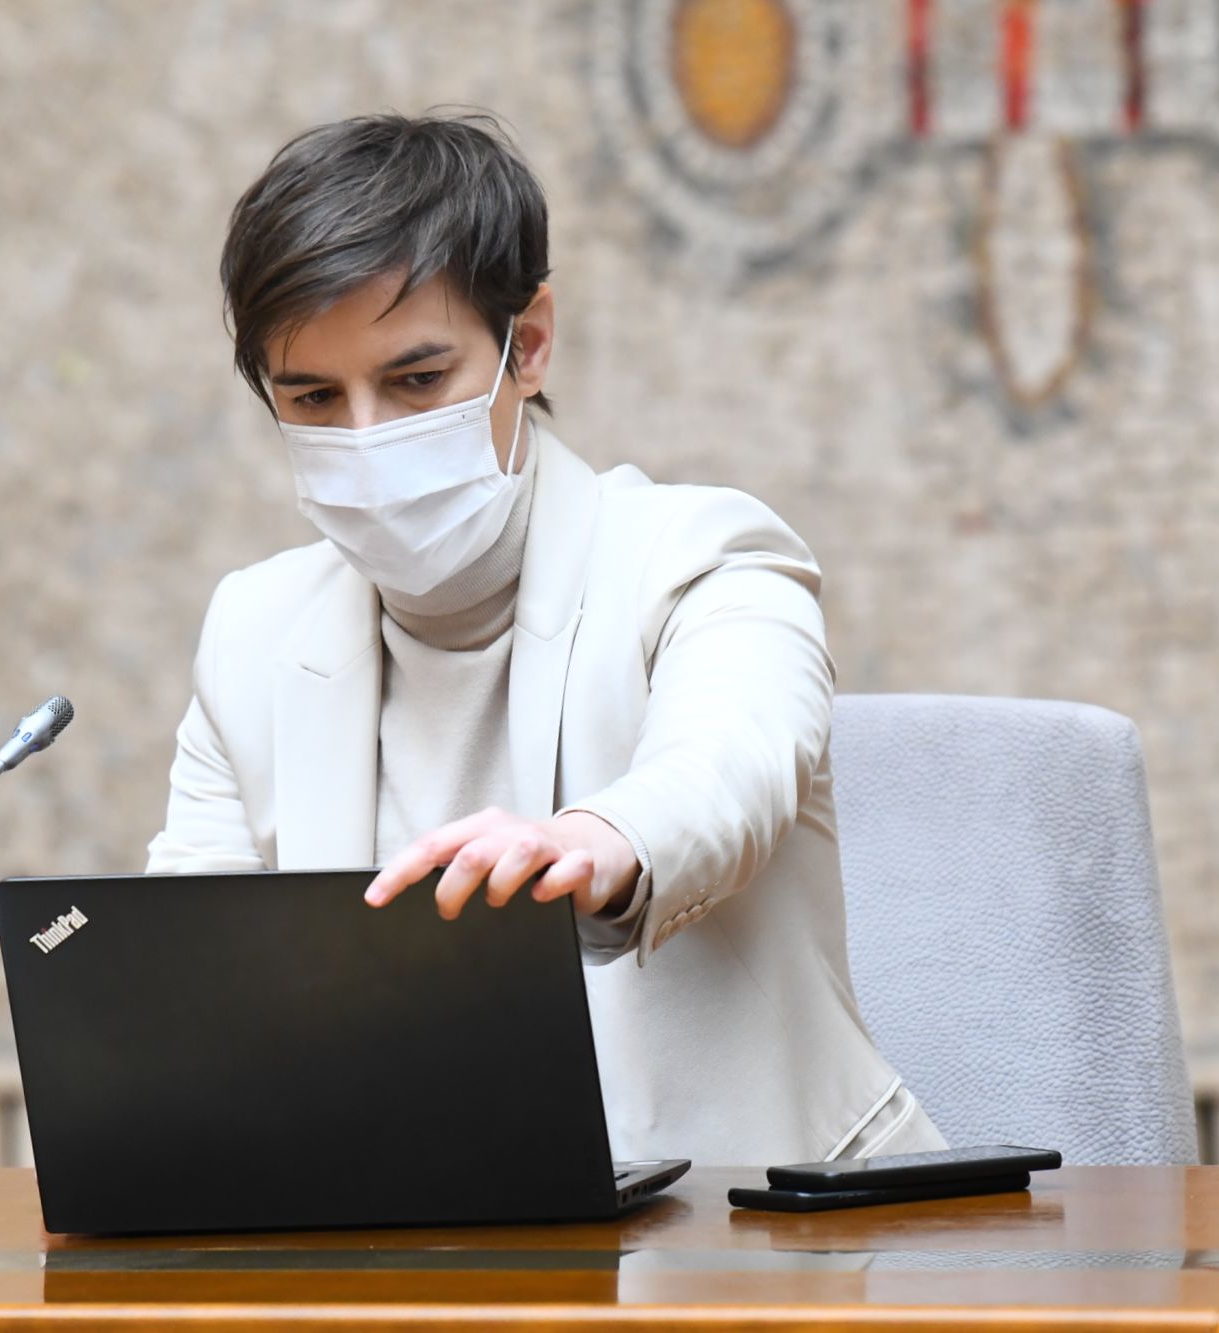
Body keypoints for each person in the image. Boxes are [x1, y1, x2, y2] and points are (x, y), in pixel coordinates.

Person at [145, 110, 946, 1165]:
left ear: (526, 344)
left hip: (762, 1239)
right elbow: (174, 973)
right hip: (421, 1243)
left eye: (415, 381)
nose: (366, 439)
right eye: (312, 399)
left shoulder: (706, 555)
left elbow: (735, 764)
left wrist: (594, 843)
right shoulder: (251, 631)